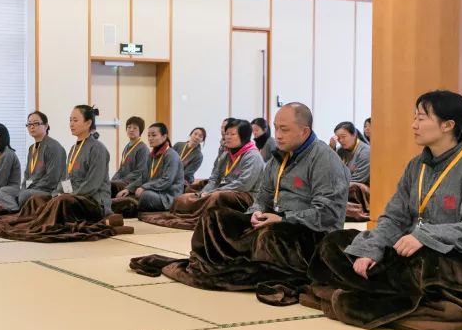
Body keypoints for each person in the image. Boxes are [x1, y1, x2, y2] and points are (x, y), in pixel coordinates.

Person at [307, 90, 462, 329]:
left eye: (421, 118)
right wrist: (371, 249)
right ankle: (388, 291)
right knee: (336, 242)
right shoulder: (416, 166)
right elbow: (394, 217)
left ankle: (374, 292)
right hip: (410, 251)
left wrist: (424, 236)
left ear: (448, 125)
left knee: (421, 262)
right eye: (415, 118)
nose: (414, 125)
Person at [130, 103, 349, 304]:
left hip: (308, 233)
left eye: (284, 129)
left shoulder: (323, 159)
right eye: (276, 128)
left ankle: (234, 264)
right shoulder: (278, 157)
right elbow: (262, 196)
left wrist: (283, 219)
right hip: (272, 220)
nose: (278, 135)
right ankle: (215, 264)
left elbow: (328, 213)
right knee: (214, 217)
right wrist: (255, 212)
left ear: (304, 131)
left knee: (269, 235)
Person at [0, 105, 122, 242]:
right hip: (74, 197)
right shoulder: (74, 148)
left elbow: (93, 184)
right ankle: (33, 221)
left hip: (94, 201)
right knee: (35, 200)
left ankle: (39, 223)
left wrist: (67, 195)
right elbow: (66, 178)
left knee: (61, 200)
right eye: (70, 120)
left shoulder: (98, 149)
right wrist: (56, 193)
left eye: (75, 120)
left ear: (88, 123)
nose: (71, 124)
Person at [138, 119, 263, 231]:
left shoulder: (252, 156)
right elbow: (214, 178)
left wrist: (211, 193)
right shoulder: (226, 154)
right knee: (181, 199)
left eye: (232, 134)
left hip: (244, 195)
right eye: (226, 134)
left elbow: (244, 184)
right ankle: (193, 210)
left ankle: (199, 216)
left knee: (216, 197)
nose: (227, 137)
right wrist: (202, 193)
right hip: (220, 191)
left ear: (244, 136)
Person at [112, 123, 184, 216]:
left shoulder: (171, 155)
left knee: (145, 196)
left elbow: (167, 180)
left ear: (164, 136)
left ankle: (124, 208)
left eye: (154, 135)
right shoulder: (151, 156)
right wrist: (128, 189)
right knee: (124, 193)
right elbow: (143, 178)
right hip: (153, 192)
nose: (150, 138)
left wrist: (144, 187)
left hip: (167, 196)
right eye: (149, 136)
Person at [18, 111, 67, 206]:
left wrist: (31, 188)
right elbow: (27, 174)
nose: (32, 126)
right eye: (29, 124)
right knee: (14, 193)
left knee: (24, 195)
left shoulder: (53, 147)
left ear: (46, 126)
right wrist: (24, 187)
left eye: (36, 123)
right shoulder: (32, 148)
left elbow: (52, 178)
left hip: (49, 190)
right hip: (33, 188)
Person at [332, 121, 371, 222]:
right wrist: (331, 148)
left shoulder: (366, 152)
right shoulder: (340, 151)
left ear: (354, 135)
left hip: (361, 192)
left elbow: (359, 179)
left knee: (353, 186)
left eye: (343, 136)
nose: (341, 140)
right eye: (338, 138)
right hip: (344, 190)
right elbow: (331, 172)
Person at [111, 116, 149, 197]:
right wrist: (113, 179)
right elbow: (121, 169)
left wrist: (122, 180)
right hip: (122, 181)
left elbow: (140, 172)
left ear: (140, 131)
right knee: (105, 184)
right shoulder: (127, 147)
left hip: (132, 183)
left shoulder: (143, 148)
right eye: (129, 127)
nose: (131, 130)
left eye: (135, 128)